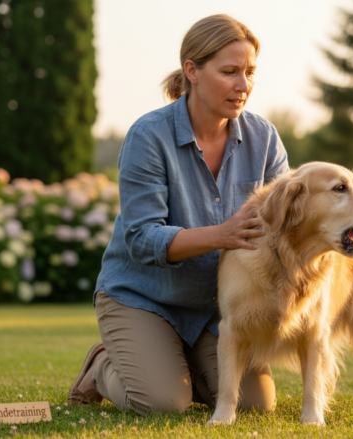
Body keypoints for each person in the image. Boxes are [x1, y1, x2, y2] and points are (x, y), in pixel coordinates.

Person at [67, 14, 289, 415]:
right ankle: (102, 365)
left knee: (257, 406)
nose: (243, 86)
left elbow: (287, 221)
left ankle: (166, 362)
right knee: (164, 403)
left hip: (216, 308)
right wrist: (221, 234)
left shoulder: (265, 138)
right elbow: (141, 239)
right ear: (192, 71)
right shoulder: (148, 136)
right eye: (229, 72)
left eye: (250, 72)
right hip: (143, 296)